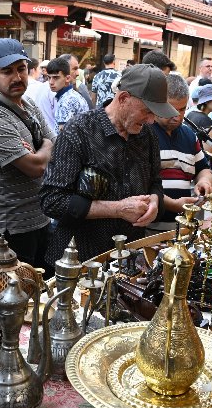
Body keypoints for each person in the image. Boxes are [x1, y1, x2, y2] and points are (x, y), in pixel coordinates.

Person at [40, 63, 178, 262]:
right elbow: (51, 201)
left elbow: (155, 182)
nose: (150, 120)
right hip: (79, 259)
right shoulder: (79, 131)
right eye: (147, 111)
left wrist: (155, 201)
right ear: (123, 98)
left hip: (128, 256)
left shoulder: (147, 135)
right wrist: (118, 209)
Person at [0, 39, 56, 273]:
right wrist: (43, 148)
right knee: (16, 302)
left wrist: (41, 148)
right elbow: (36, 167)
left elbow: (55, 142)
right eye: (7, 71)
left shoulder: (28, 103)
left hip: (40, 218)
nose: (17, 77)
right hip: (12, 230)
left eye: (21, 69)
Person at [148, 74, 212, 233]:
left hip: (183, 226)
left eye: (182, 109)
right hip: (150, 228)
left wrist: (204, 181)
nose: (177, 116)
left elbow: (203, 168)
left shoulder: (189, 135)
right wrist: (173, 203)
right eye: (171, 109)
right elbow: (141, 186)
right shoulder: (145, 133)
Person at [48, 57, 89, 131]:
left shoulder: (66, 101)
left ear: (67, 78)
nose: (51, 82)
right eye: (49, 77)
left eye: (56, 78)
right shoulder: (72, 95)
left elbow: (64, 135)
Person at [24, 57, 57, 136]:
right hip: (44, 131)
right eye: (39, 68)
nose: (41, 71)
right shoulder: (42, 87)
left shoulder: (20, 88)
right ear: (33, 70)